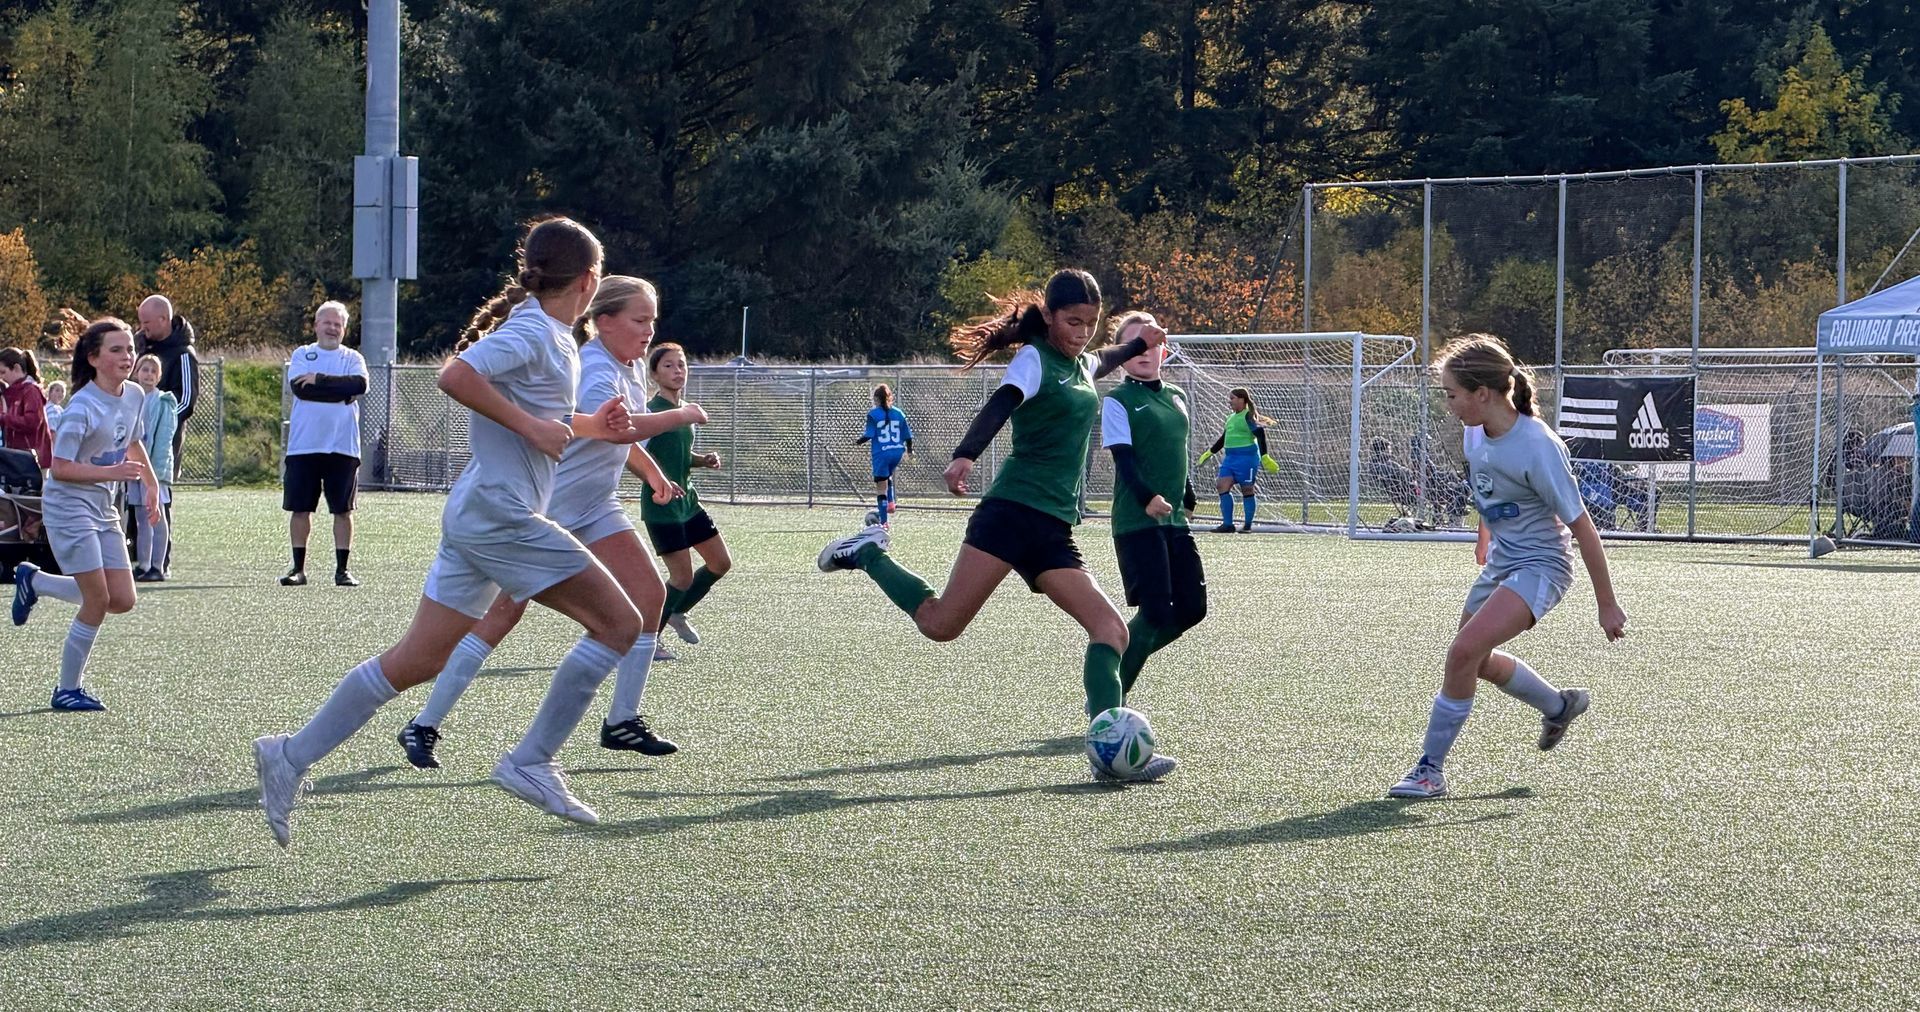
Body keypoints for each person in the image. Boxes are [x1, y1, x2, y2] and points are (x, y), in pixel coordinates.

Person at [251, 217, 650, 846]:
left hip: (479, 512)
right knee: (622, 624)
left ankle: (289, 755)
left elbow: (544, 418)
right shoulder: (531, 331)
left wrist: (591, 425)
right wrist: (533, 428)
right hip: (501, 514)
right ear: (590, 281)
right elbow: (455, 376)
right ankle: (531, 759)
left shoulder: (554, 339)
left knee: (418, 659)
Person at [815, 269, 1177, 782]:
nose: (1082, 332)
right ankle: (870, 551)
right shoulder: (1034, 359)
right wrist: (965, 455)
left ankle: (1110, 752)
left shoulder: (1081, 365)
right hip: (1010, 513)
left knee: (1111, 630)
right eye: (1072, 321)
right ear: (1049, 317)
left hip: (1052, 529)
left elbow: (1106, 358)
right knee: (941, 625)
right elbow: (1001, 404)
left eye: (1091, 324)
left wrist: (1141, 340)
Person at [395, 275, 705, 770]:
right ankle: (424, 724)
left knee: (650, 595)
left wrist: (654, 474)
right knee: (499, 617)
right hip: (551, 509)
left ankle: (622, 720)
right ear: (602, 323)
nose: (650, 330)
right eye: (639, 320)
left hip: (597, 507)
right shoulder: (595, 368)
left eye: (652, 320)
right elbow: (613, 430)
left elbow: (621, 442)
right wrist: (680, 415)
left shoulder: (625, 370)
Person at [1388, 334, 1625, 800]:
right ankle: (1558, 705)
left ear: (1482, 393)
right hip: (1503, 562)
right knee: (1473, 662)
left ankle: (1429, 771)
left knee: (1460, 653)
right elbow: (1488, 486)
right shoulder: (1475, 431)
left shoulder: (1538, 446)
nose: (1448, 403)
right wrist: (1485, 536)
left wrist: (1607, 605)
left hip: (1542, 565)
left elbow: (1583, 528)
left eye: (1452, 393)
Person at [11, 317, 162, 711]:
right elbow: (60, 467)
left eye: (129, 348)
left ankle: (36, 581)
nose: (127, 356)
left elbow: (131, 443)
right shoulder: (81, 405)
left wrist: (150, 483)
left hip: (101, 507)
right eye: (116, 350)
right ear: (93, 358)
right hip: (68, 506)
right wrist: (112, 473)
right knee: (96, 600)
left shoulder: (134, 395)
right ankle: (67, 690)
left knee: (123, 599)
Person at [1098, 311, 1207, 706]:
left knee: (1193, 609)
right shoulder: (1117, 400)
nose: (1144, 352)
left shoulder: (1177, 397)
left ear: (1165, 349)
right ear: (1123, 354)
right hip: (1137, 520)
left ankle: (1109, 670)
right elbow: (1124, 459)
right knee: (1156, 611)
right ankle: (1109, 696)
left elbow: (1175, 453)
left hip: (1175, 520)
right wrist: (1147, 498)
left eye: (1151, 343)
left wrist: (1188, 494)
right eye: (1134, 344)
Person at [641, 342, 731, 654]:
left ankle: (678, 611)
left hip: (688, 503)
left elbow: (676, 454)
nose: (677, 371)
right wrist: (659, 482)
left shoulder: (684, 410)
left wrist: (700, 460)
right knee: (681, 577)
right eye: (668, 365)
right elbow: (635, 456)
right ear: (654, 374)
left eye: (681, 365)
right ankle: (648, 639)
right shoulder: (650, 412)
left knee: (720, 563)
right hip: (662, 506)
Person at [280, 302, 369, 587]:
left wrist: (319, 379)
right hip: (304, 446)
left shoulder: (353, 357)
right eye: (327, 322)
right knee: (300, 508)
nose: (332, 328)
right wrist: (340, 391)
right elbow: (300, 389)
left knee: (343, 510)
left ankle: (342, 569)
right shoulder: (303, 354)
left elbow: (359, 385)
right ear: (316, 325)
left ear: (344, 329)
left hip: (342, 447)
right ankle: (298, 569)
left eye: (337, 324)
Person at [1198, 388, 1278, 532]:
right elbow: (1224, 438)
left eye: (1233, 398)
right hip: (1230, 458)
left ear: (1242, 399)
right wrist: (1209, 452)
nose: (1230, 401)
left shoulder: (1248, 416)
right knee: (1221, 485)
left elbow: (1260, 434)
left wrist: (1265, 456)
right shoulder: (1230, 417)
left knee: (1247, 489)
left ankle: (1247, 525)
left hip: (1247, 458)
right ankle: (1228, 524)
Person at [127, 354, 177, 581]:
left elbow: (165, 437)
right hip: (134, 467)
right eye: (144, 370)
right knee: (140, 517)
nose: (147, 375)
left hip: (154, 468)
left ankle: (159, 565)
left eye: (152, 371)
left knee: (156, 516)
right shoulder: (131, 399)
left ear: (158, 376)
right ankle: (144, 564)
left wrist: (156, 471)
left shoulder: (163, 401)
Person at [856, 384, 914, 525]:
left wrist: (857, 441)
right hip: (897, 451)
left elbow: (869, 434)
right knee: (887, 475)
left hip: (882, 453)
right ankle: (891, 503)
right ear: (890, 398)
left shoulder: (873, 414)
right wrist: (910, 450)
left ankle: (884, 523)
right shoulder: (899, 413)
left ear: (876, 398)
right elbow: (908, 436)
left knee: (880, 487)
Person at [0, 348, 53, 469]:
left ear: (17, 368)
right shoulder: (12, 392)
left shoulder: (30, 391)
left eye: (3, 372)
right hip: (17, 456)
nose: (1, 377)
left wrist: (4, 418)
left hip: (32, 459)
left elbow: (32, 422)